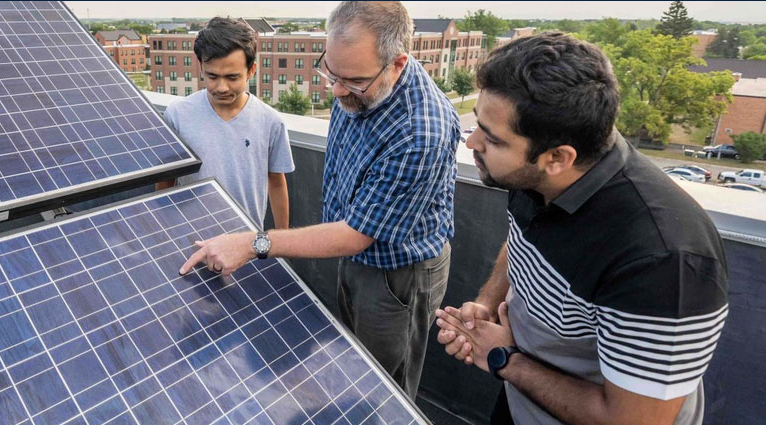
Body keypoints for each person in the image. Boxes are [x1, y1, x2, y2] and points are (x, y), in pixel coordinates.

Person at [434, 33, 728, 425]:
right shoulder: (537, 177)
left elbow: (633, 421)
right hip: (523, 400)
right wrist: (487, 304)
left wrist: (504, 359)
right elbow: (523, 242)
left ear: (558, 157)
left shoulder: (664, 260)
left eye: (491, 138)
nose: (471, 142)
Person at [178, 1, 460, 398]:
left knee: (380, 388)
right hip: (352, 257)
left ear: (396, 64)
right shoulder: (355, 76)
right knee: (353, 360)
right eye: (332, 72)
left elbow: (356, 234)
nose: (338, 89)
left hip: (397, 274)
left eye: (353, 82)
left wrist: (256, 241)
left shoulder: (419, 132)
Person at [156, 17, 294, 230]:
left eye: (232, 77)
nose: (221, 87)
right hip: (190, 239)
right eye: (212, 76)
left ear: (251, 70)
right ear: (201, 66)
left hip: (246, 243)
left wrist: (281, 242)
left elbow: (276, 182)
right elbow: (166, 183)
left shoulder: (271, 122)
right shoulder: (177, 115)